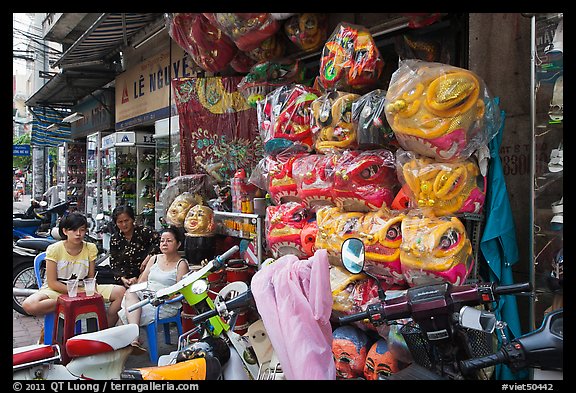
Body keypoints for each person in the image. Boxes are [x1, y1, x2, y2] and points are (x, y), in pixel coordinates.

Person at [22, 212, 126, 327]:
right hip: (57, 290)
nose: (78, 234)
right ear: (65, 231)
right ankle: (69, 305)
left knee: (120, 292)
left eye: (82, 230)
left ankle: (104, 328)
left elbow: (91, 278)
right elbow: (52, 283)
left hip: (84, 288)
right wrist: (76, 294)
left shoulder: (90, 248)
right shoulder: (54, 249)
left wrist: (89, 291)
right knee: (29, 305)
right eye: (73, 230)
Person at [118, 226, 190, 350]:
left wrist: (164, 296)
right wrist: (134, 285)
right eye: (162, 241)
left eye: (169, 241)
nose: (164, 244)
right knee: (130, 293)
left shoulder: (181, 264)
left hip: (164, 303)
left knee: (125, 314)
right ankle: (133, 339)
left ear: (178, 244)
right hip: (146, 297)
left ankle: (127, 344)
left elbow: (181, 291)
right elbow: (142, 282)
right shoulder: (154, 259)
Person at [109, 205, 161, 288]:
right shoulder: (115, 238)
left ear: (132, 219)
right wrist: (122, 279)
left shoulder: (144, 232)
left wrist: (149, 258)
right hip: (126, 278)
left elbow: (160, 243)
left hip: (146, 274)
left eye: (126, 220)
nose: (124, 224)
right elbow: (114, 263)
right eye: (120, 222)